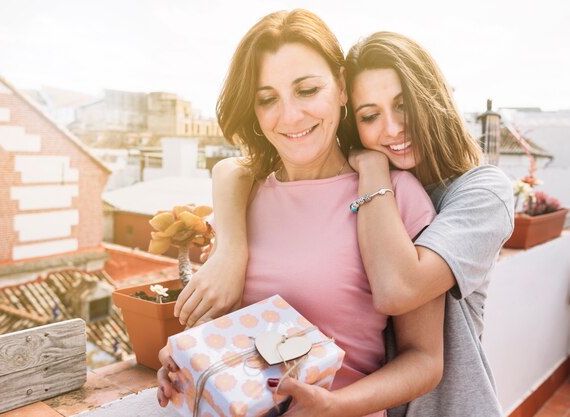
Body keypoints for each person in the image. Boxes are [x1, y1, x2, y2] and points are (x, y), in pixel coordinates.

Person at [174, 28, 514, 417]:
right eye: (370, 115)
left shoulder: (467, 192)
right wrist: (190, 361)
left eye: (404, 105)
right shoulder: (248, 194)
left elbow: (398, 293)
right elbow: (233, 169)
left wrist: (372, 170)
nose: (390, 129)